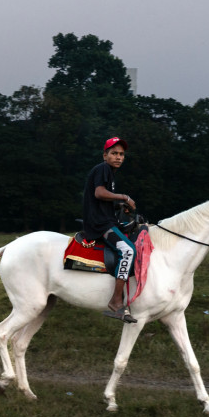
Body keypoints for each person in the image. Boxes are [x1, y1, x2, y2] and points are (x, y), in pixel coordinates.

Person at [82, 136, 138, 323]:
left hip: (106, 220)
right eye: (114, 153)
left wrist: (121, 206)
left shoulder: (109, 173)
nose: (118, 157)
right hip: (100, 224)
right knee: (128, 250)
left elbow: (102, 201)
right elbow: (99, 193)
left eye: (121, 154)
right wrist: (123, 197)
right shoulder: (103, 168)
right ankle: (115, 301)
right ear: (105, 155)